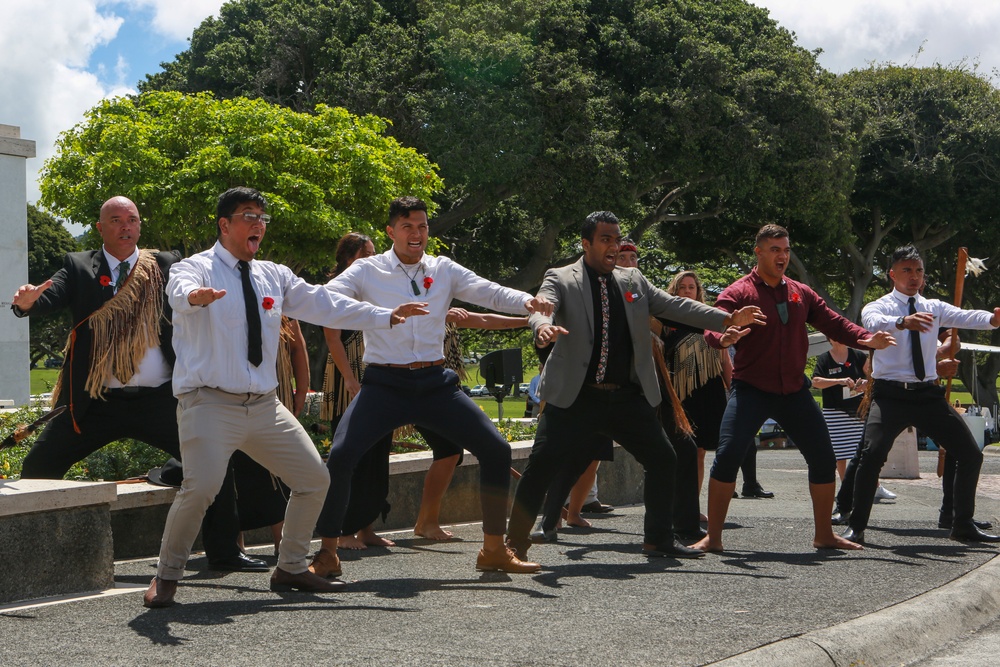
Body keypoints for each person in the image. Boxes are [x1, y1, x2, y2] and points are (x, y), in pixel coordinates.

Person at [142, 186, 427, 608]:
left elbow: (324, 303)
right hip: (209, 403)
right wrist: (194, 298)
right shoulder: (195, 268)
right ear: (224, 225)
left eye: (262, 217)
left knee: (314, 479)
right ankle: (166, 576)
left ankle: (291, 567)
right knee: (200, 487)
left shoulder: (273, 274)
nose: (258, 224)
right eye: (248, 216)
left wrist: (384, 316)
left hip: (262, 406)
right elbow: (178, 290)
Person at [9, 196, 259, 573]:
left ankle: (224, 551)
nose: (126, 226)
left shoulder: (165, 265)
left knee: (212, 461)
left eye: (132, 219)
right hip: (96, 401)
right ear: (101, 228)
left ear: (140, 226)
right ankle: (27, 555)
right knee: (38, 465)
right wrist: (27, 304)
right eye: (116, 220)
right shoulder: (78, 267)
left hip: (160, 398)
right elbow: (50, 297)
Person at [309, 195, 553, 580]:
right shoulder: (367, 271)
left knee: (495, 448)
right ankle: (327, 553)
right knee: (341, 457)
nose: (417, 233)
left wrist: (529, 301)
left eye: (422, 226)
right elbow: (326, 299)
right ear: (391, 231)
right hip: (385, 383)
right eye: (407, 226)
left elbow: (489, 291)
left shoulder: (443, 269)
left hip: (435, 382)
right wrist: (381, 316)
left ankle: (493, 550)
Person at [506, 211, 765, 561]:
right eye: (605, 240)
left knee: (664, 459)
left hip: (627, 397)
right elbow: (542, 306)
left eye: (616, 239)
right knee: (541, 466)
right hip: (576, 398)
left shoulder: (633, 280)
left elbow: (676, 306)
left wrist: (726, 318)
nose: (613, 246)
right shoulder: (561, 277)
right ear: (586, 243)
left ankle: (657, 539)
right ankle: (513, 545)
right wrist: (541, 327)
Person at [691, 224, 895, 554]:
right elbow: (716, 323)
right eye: (774, 249)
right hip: (751, 390)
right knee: (728, 455)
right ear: (758, 252)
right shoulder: (739, 292)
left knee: (823, 457)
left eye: (785, 250)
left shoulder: (801, 292)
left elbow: (833, 321)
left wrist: (864, 338)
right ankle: (713, 537)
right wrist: (725, 333)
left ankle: (824, 534)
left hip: (794, 391)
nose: (782, 256)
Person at [842, 245, 1000, 545]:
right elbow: (871, 323)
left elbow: (965, 316)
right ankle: (856, 524)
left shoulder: (934, 307)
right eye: (906, 270)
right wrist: (902, 322)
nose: (914, 276)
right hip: (889, 395)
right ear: (892, 274)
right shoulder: (880, 306)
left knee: (970, 454)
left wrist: (992, 320)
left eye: (918, 271)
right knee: (872, 453)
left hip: (927, 395)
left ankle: (961, 523)